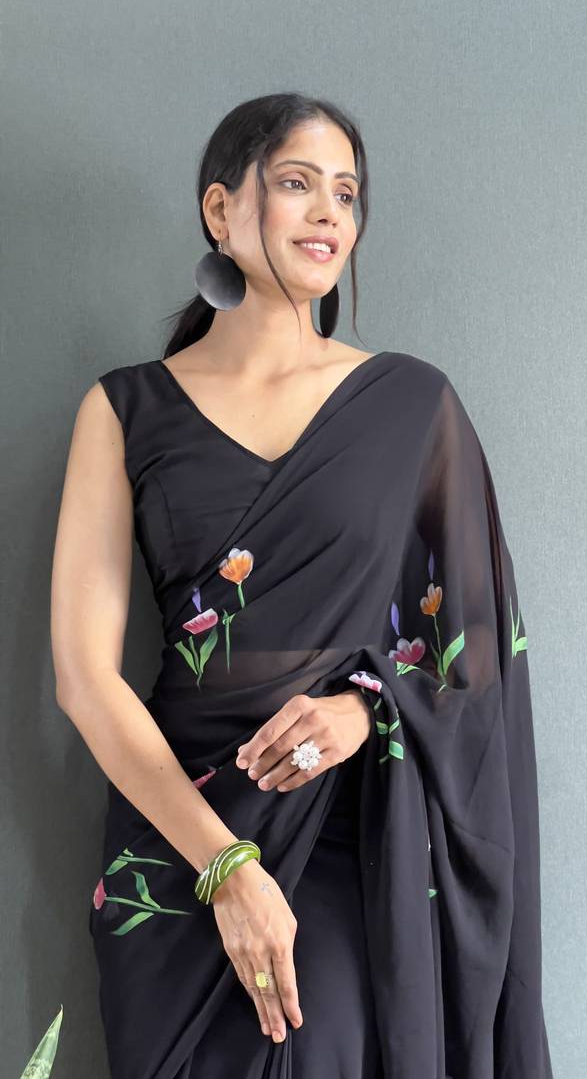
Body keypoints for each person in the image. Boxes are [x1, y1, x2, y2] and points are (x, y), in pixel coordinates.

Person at [50, 92, 554, 1079]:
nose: (329, 213)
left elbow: (475, 656)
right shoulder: (124, 409)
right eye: (296, 183)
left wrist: (366, 711)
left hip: (347, 835)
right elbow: (84, 677)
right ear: (220, 209)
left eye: (347, 193)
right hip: (178, 838)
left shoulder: (411, 405)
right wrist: (225, 867)